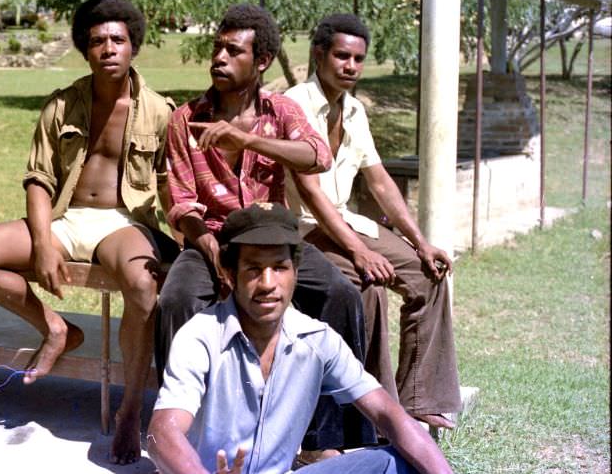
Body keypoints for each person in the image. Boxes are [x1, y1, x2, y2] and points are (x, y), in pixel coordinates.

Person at [0, 0, 177, 465]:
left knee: (142, 287)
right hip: (65, 218)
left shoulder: (160, 111)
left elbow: (171, 188)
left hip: (124, 222)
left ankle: (131, 409)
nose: (108, 49)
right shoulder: (62, 104)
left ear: (133, 45)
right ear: (85, 49)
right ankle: (54, 328)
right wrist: (42, 245)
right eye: (97, 41)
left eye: (118, 39)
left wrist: (193, 243)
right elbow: (39, 180)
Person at [156, 3, 376, 457]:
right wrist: (213, 249)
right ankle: (177, 440)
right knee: (176, 299)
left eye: (233, 51)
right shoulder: (186, 118)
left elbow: (318, 155)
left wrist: (249, 140)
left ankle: (321, 441)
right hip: (212, 238)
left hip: (276, 240)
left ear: (260, 63)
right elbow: (179, 203)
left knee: (341, 294)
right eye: (217, 48)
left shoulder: (280, 111)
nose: (219, 58)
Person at [147, 203, 454, 474]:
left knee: (397, 463)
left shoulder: (317, 340)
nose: (268, 284)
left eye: (279, 268)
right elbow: (163, 432)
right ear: (229, 273)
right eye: (253, 269)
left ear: (295, 271)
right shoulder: (201, 335)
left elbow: (389, 414)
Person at [284, 13, 461, 430]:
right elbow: (309, 191)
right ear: (319, 55)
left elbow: (379, 182)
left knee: (428, 276)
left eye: (358, 59)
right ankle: (375, 408)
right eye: (342, 56)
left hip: (343, 220)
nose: (350, 66)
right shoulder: (293, 105)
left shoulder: (354, 110)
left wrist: (421, 242)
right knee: (367, 286)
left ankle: (419, 397)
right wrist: (359, 251)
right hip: (302, 228)